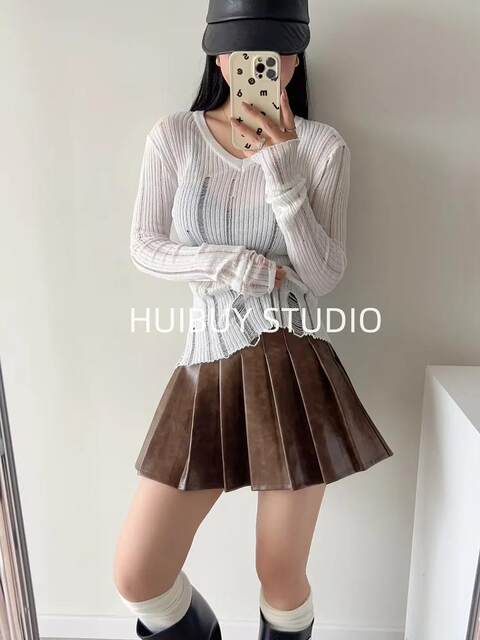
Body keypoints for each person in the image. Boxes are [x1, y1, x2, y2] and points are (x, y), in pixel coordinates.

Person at [113, 1, 394, 638]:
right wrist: (230, 265)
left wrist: (281, 170)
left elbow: (323, 274)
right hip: (206, 368)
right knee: (138, 575)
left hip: (291, 365)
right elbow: (145, 245)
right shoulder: (175, 137)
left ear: (295, 59)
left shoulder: (321, 147)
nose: (259, 65)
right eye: (242, 52)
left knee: (279, 570)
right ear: (218, 58)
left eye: (275, 53)